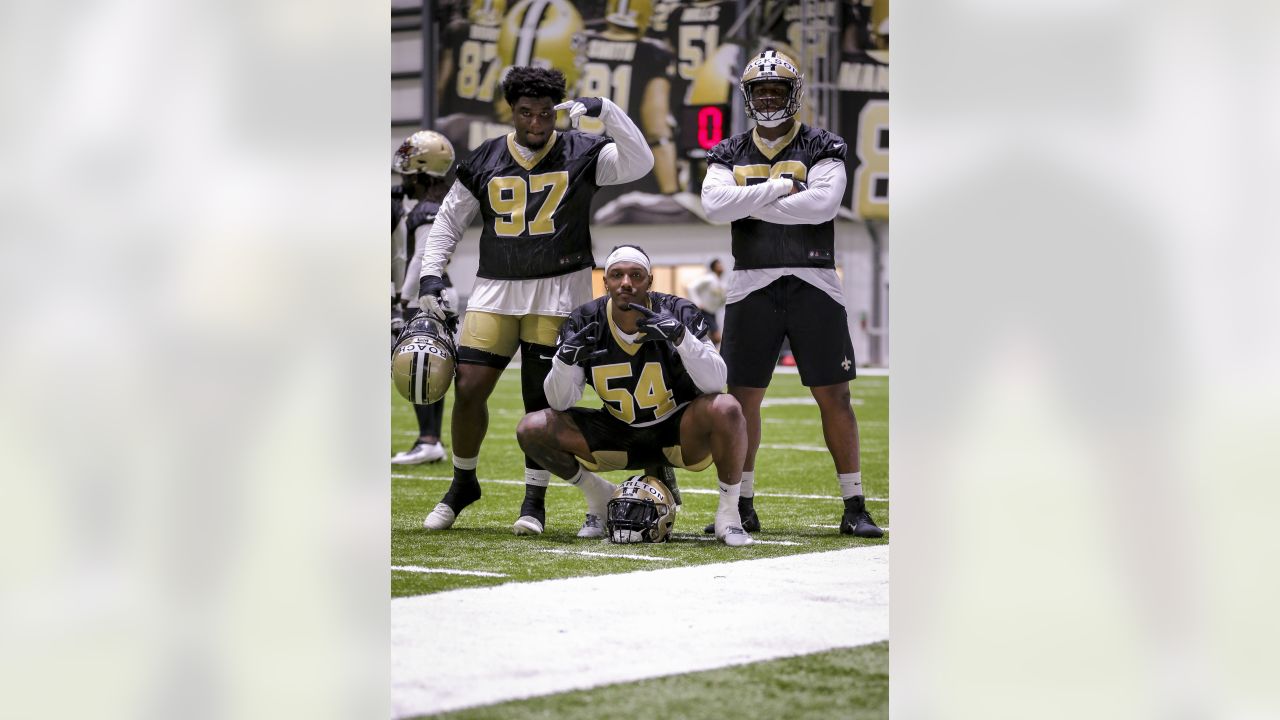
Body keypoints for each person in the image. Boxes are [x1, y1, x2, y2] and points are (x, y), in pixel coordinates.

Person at [417, 66, 654, 535]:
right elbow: (448, 222)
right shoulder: (483, 158)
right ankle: (463, 482)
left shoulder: (583, 151)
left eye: (545, 113)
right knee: (468, 388)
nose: (536, 123)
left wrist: (604, 110)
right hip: (495, 287)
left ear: (555, 112)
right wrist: (430, 275)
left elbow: (641, 161)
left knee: (540, 402)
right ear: (513, 112)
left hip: (558, 289)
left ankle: (534, 499)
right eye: (526, 113)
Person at [699, 49, 884, 538]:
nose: (767, 98)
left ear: (793, 94)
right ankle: (741, 505)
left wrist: (753, 199)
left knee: (835, 397)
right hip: (749, 284)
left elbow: (822, 206)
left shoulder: (824, 144)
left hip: (814, 280)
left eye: (776, 90)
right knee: (741, 402)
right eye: (760, 91)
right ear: (748, 96)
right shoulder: (727, 150)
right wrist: (781, 190)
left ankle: (854, 504)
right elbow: (713, 207)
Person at [515, 245, 753, 547]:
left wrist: (681, 338)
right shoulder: (585, 320)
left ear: (650, 281)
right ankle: (598, 495)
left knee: (727, 408)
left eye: (635, 275)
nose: (626, 282)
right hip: (617, 431)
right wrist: (564, 361)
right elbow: (560, 402)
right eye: (617, 275)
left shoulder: (678, 311)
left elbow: (716, 382)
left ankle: (728, 516)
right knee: (532, 427)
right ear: (606, 282)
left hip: (676, 430)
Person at [390, 130, 457, 465]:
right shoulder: (437, 202)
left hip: (427, 295)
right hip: (440, 293)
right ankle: (430, 440)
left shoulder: (428, 208)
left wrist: (403, 297)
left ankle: (428, 439)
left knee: (418, 368)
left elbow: (423, 257)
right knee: (429, 368)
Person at [685, 257, 726, 346]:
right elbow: (691, 287)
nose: (721, 267)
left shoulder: (721, 283)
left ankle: (712, 356)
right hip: (704, 311)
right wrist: (697, 302)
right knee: (716, 337)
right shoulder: (709, 278)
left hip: (712, 313)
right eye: (719, 265)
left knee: (712, 338)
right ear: (714, 267)